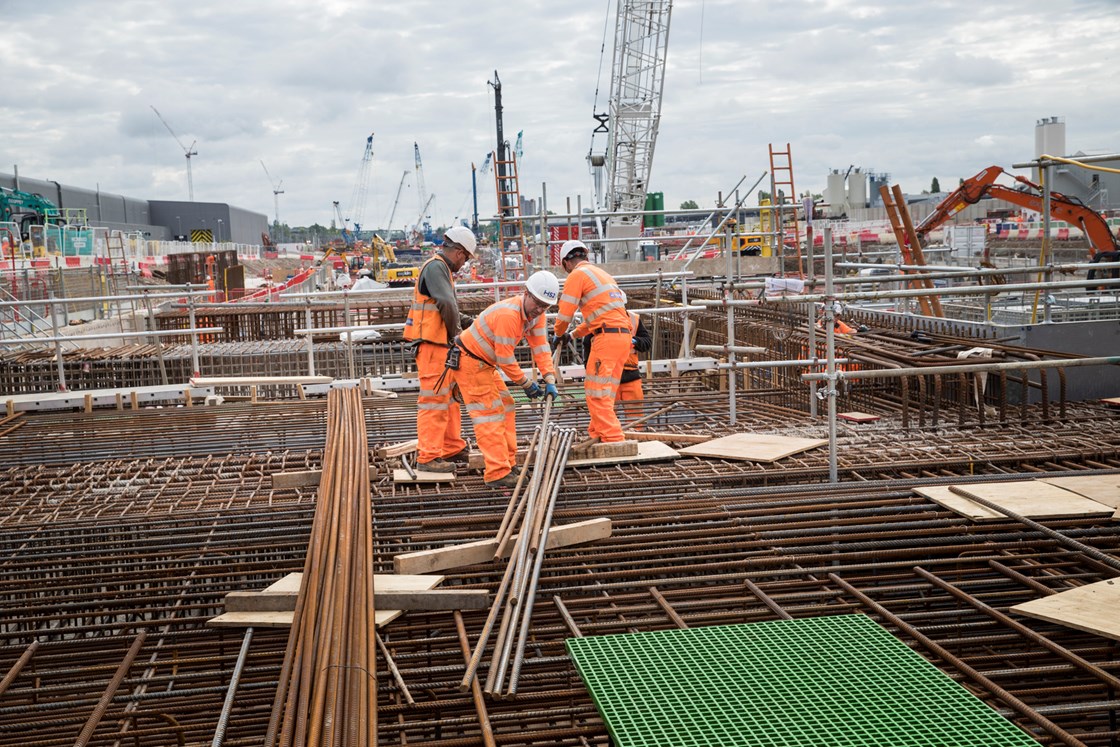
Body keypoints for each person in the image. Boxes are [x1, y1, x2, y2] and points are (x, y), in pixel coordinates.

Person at [453, 271, 560, 488]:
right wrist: (526, 383)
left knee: (507, 405)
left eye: (545, 306)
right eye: (538, 303)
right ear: (526, 294)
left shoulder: (536, 316)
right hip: (471, 363)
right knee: (489, 415)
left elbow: (540, 347)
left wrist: (549, 377)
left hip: (485, 364)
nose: (540, 309)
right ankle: (496, 472)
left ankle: (508, 463)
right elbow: (505, 357)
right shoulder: (508, 316)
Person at [404, 226, 477, 472]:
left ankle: (451, 448)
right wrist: (457, 335)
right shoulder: (436, 267)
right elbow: (446, 303)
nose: (464, 264)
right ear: (458, 252)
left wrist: (469, 323)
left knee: (449, 400)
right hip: (433, 348)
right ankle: (428, 457)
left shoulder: (440, 269)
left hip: (439, 347)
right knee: (434, 402)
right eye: (465, 258)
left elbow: (446, 307)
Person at [550, 240, 631, 443]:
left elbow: (565, 312)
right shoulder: (604, 275)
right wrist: (573, 335)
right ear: (585, 256)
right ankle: (597, 432)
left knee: (596, 393)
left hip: (605, 340)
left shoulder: (577, 275)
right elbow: (600, 315)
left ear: (565, 263)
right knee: (606, 392)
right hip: (622, 338)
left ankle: (613, 439)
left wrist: (559, 333)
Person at [578, 301, 651, 427]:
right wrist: (591, 370)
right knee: (606, 415)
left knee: (636, 418)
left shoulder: (634, 319)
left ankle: (637, 439)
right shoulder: (598, 321)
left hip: (631, 376)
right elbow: (587, 345)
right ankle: (610, 440)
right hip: (608, 377)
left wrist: (634, 341)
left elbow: (647, 343)